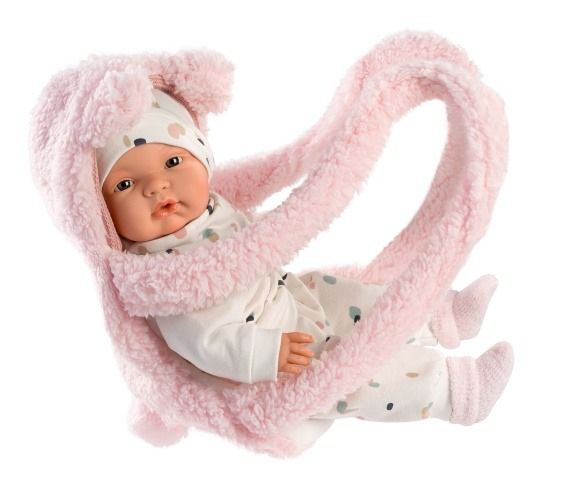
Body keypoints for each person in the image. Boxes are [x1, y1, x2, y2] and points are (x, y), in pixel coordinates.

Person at [96, 87, 514, 424]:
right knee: (352, 377)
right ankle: (457, 391)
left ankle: (441, 318)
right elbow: (201, 341)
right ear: (104, 214)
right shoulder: (158, 277)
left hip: (289, 296)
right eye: (125, 185)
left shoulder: (212, 205)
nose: (156, 186)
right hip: (267, 357)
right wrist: (264, 354)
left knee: (349, 296)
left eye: (172, 161)